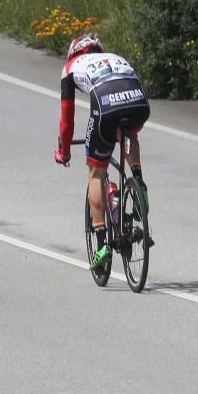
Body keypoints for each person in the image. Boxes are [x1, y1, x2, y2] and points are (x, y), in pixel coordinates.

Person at [54, 33, 151, 270]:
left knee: (96, 173)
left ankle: (101, 246)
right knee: (128, 132)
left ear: (74, 51)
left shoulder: (70, 67)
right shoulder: (116, 57)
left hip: (107, 106)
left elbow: (67, 120)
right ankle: (138, 182)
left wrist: (64, 151)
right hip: (138, 102)